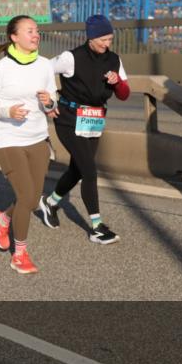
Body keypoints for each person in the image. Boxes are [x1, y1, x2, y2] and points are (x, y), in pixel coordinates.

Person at [39, 15, 130, 244]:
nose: (107, 44)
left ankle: (50, 202)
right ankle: (97, 227)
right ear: (90, 37)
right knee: (90, 170)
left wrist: (117, 81)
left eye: (110, 39)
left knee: (78, 170)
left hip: (94, 119)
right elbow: (42, 71)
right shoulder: (71, 58)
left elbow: (125, 94)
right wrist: (49, 102)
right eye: (102, 39)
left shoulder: (114, 59)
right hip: (69, 118)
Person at [0, 15, 58, 274]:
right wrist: (7, 112)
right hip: (9, 140)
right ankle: (20, 254)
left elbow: (52, 105)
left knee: (33, 199)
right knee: (26, 197)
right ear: (14, 37)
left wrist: (49, 102)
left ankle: (1, 219)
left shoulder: (46, 65)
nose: (36, 35)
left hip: (38, 138)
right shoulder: (0, 69)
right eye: (29, 31)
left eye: (37, 31)